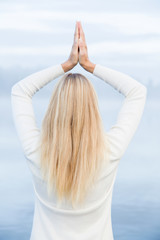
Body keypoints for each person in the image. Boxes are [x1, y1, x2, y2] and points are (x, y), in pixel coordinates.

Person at [11, 21, 147, 240]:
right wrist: (88, 65)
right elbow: (136, 91)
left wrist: (67, 64)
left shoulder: (35, 152)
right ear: (93, 109)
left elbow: (20, 91)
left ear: (55, 109)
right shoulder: (110, 152)